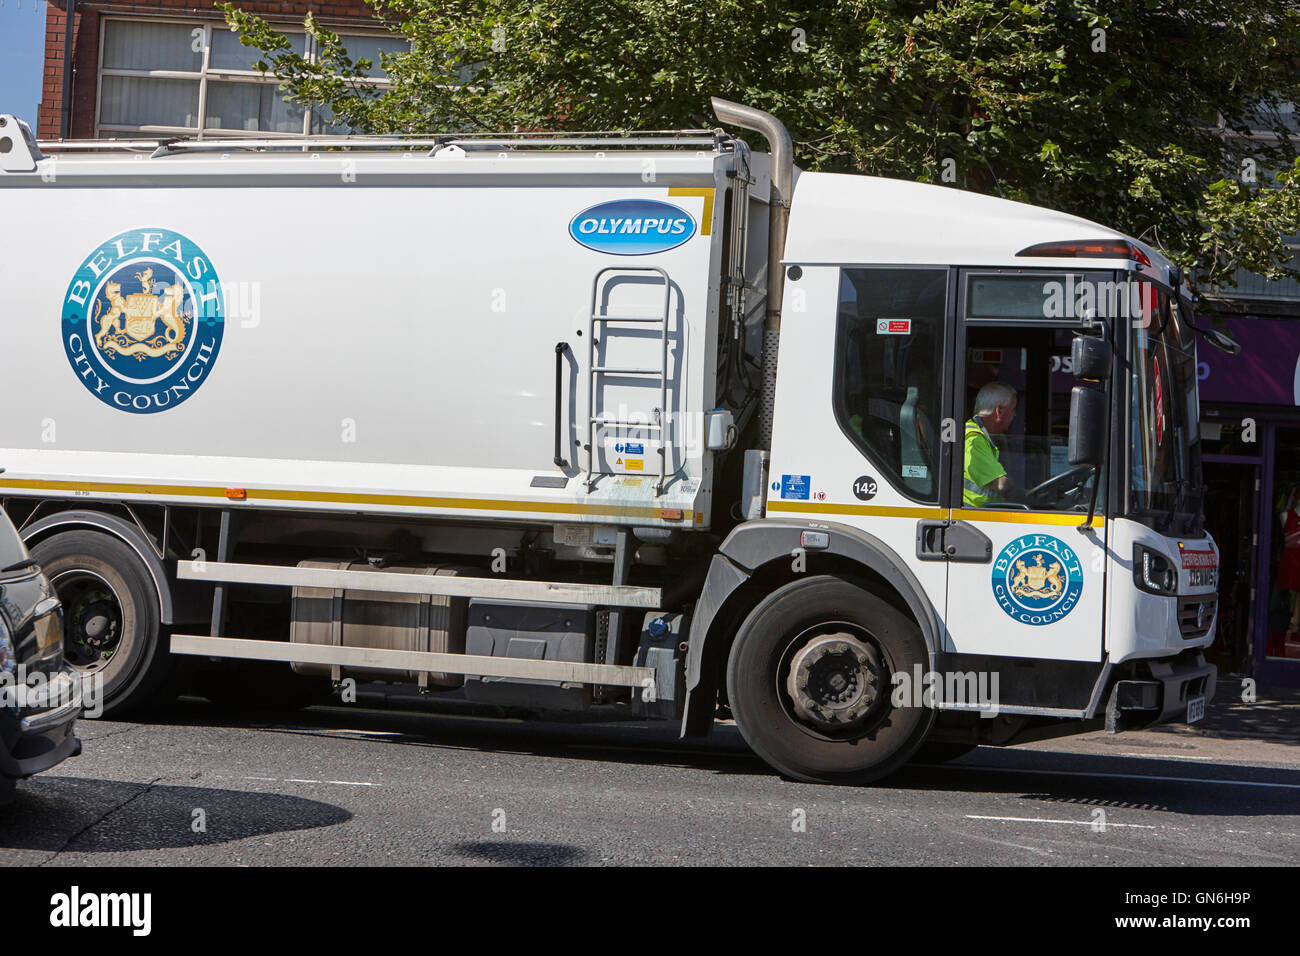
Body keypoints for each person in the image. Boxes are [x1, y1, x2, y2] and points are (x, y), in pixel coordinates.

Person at [963, 382, 1022, 507]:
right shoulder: (973, 439)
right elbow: (1002, 485)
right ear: (999, 411)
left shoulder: (986, 436)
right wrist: (1029, 498)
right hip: (973, 515)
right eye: (1013, 409)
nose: (1015, 415)